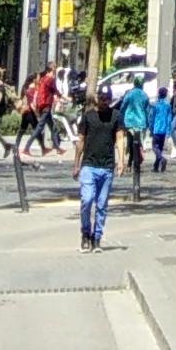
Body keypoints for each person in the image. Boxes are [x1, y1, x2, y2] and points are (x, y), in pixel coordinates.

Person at [75, 83, 117, 250]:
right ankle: (85, 233)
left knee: (101, 204)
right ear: (97, 98)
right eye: (101, 98)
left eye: (107, 99)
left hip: (107, 166)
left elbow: (120, 138)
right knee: (86, 199)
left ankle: (97, 237)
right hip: (89, 165)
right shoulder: (88, 116)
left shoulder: (116, 116)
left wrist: (121, 161)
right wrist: (76, 164)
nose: (104, 101)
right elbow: (80, 141)